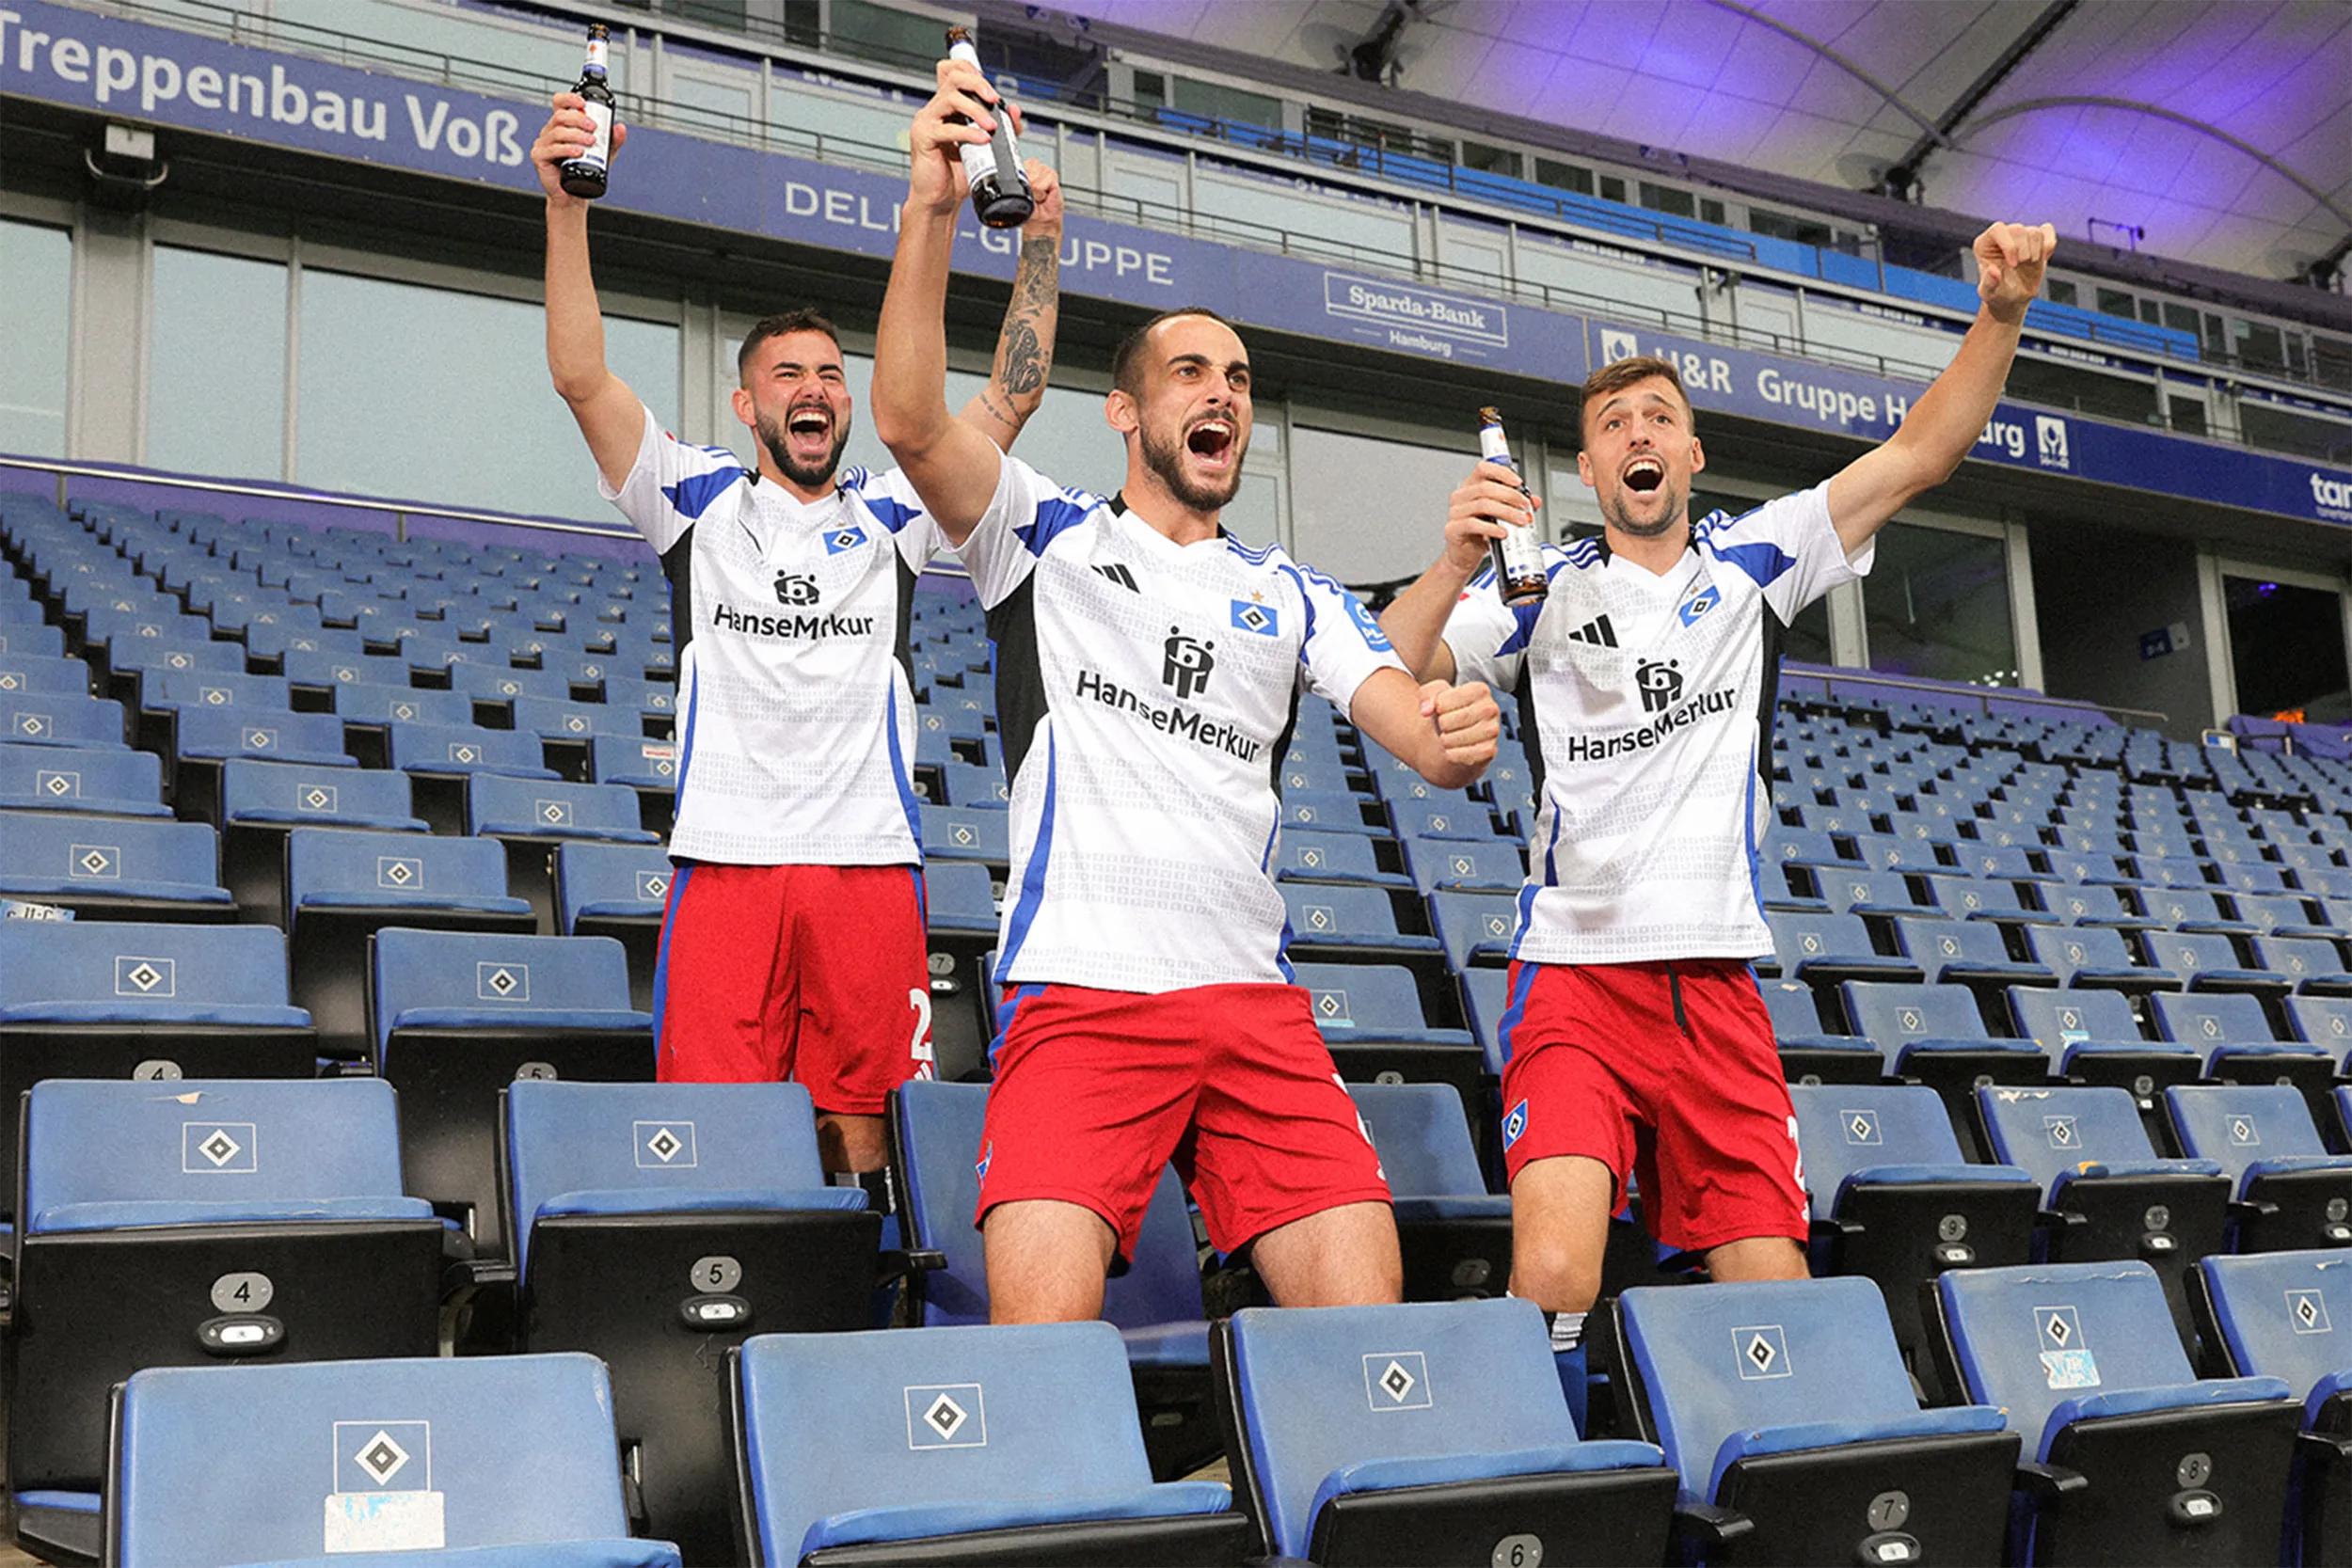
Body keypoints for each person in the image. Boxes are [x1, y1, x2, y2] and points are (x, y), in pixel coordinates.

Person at [869, 58, 1503, 1322]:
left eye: (1242, 379)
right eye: (1194, 372)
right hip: (1083, 992)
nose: (1226, 391)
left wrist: (1455, 731)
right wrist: (934, 212)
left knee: (1366, 1337)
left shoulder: (1294, 589)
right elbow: (909, 420)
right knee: (1040, 1346)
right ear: (1125, 410)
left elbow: (1416, 736)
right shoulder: (1042, 536)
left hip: (1252, 1006)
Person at [1379, 221, 2058, 1354]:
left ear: (1691, 454)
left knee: (1774, 1283)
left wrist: (1999, 313)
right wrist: (1453, 563)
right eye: (1611, 427)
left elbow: (1920, 454)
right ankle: (1544, 1485)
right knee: (1552, 1268)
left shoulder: (1759, 557)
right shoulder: (1538, 591)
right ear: (1587, 473)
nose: (1636, 435)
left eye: (1657, 420)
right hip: (1575, 976)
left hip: (1714, 979)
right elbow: (1391, 667)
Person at [531, 88, 1067, 1177]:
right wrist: (565, 208)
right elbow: (582, 376)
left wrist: (1041, 249)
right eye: (789, 375)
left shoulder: (893, 512)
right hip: (724, 862)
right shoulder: (693, 497)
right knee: (721, 1136)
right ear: (747, 406)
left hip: (867, 863)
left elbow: (1008, 404)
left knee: (870, 1130)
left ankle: (861, 1330)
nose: (815, 388)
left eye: (830, 373)